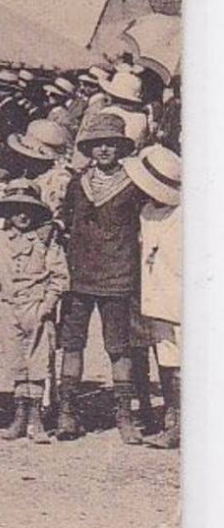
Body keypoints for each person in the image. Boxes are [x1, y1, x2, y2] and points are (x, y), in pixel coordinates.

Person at [56, 113, 148, 443]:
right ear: (90, 148)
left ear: (121, 148)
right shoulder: (76, 184)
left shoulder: (135, 184)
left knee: (118, 347)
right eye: (98, 144)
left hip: (118, 275)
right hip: (79, 275)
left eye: (111, 143)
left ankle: (125, 416)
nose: (104, 149)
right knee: (72, 343)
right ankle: (67, 413)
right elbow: (66, 223)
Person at [0, 182, 69, 444]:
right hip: (8, 306)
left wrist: (47, 305)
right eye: (16, 210)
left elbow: (59, 277)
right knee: (15, 361)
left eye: (28, 210)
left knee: (39, 361)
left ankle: (37, 418)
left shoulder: (45, 241)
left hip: (36, 306)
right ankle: (19, 416)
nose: (22, 216)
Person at [124, 144, 182, 449]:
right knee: (170, 362)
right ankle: (174, 424)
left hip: (183, 300)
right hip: (157, 300)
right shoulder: (147, 213)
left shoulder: (187, 216)